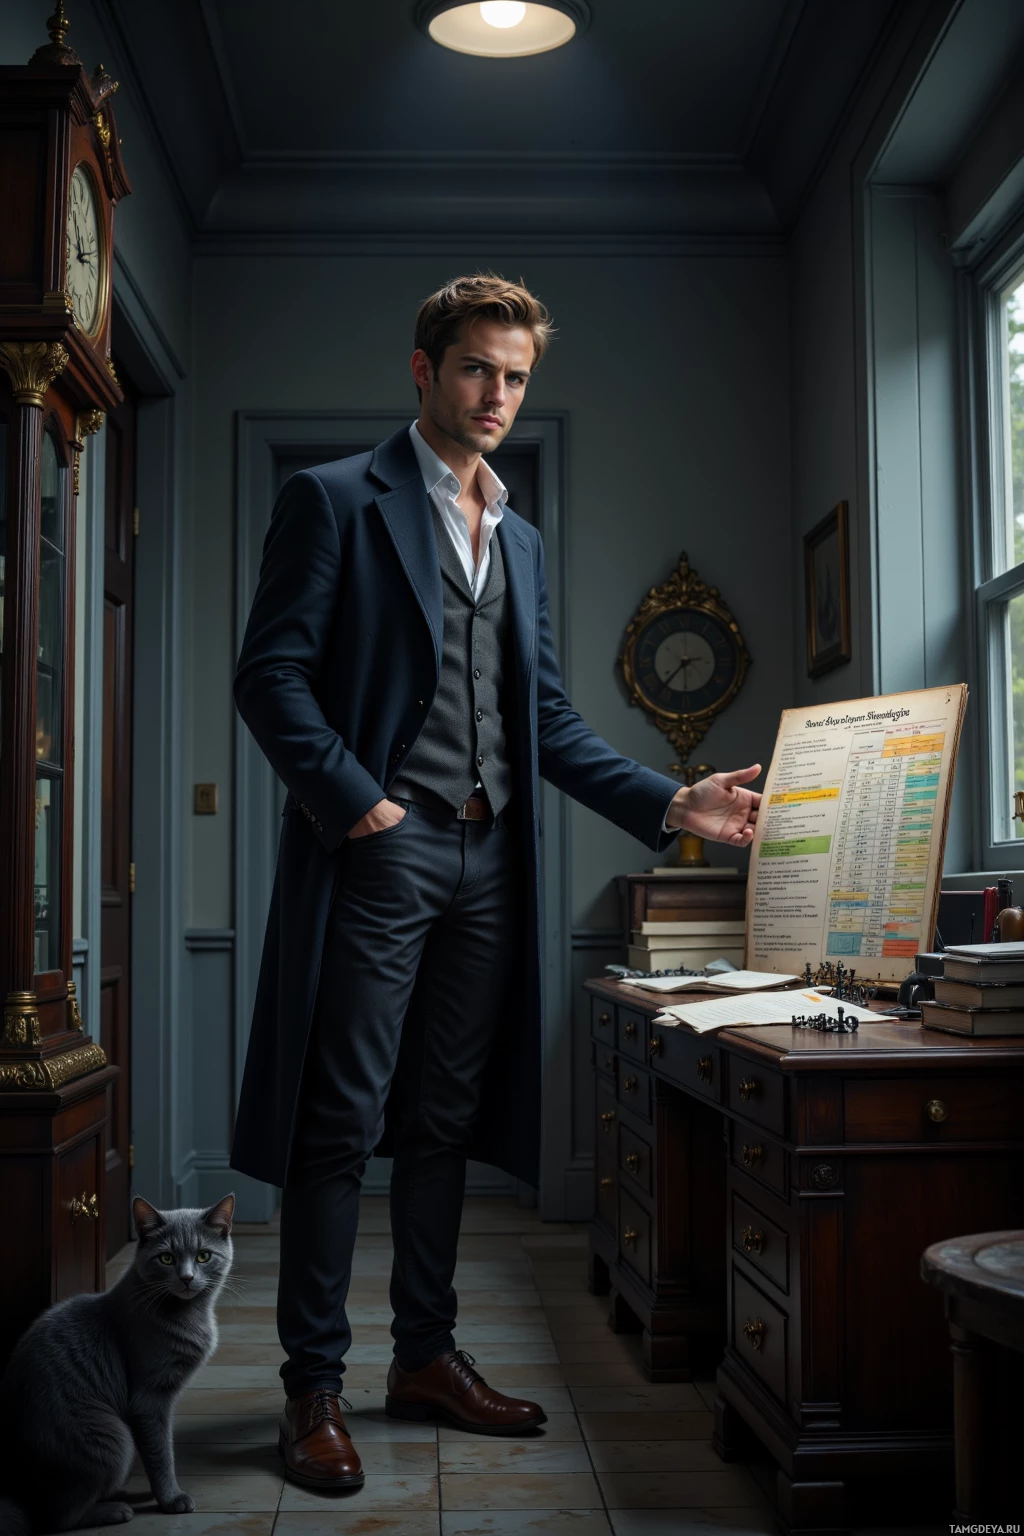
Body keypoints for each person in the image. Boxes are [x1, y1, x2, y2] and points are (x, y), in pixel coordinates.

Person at [229, 274, 761, 1492]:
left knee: (441, 1121)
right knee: (339, 1119)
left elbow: (546, 720)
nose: (497, 396)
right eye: (477, 369)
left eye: (516, 377)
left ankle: (424, 1358)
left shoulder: (517, 534)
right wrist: (358, 802)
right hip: (380, 848)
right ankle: (313, 1387)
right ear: (425, 370)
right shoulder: (334, 500)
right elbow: (270, 677)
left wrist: (671, 803)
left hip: (488, 858)